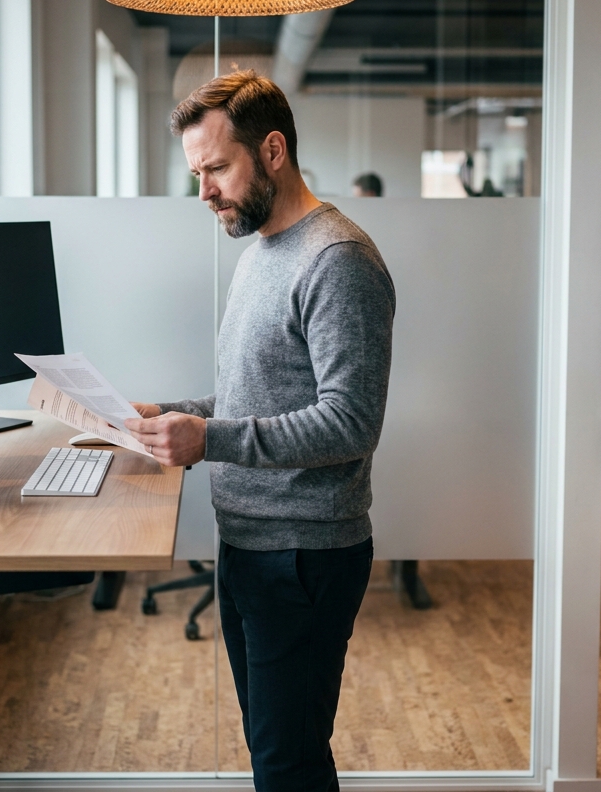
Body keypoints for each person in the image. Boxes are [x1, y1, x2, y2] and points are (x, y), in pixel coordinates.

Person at [124, 70, 395, 792]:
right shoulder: (260, 252)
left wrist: (207, 440)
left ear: (272, 150)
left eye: (216, 168)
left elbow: (350, 421)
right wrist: (176, 413)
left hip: (304, 555)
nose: (203, 192)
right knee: (280, 754)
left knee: (288, 765)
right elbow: (259, 393)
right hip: (251, 542)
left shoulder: (337, 260)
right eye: (197, 174)